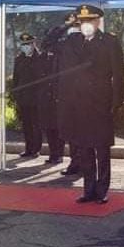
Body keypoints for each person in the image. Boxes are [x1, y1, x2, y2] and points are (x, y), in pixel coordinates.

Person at [58, 5, 124, 204]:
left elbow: (119, 75)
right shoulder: (73, 41)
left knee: (102, 150)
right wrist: (66, 25)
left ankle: (102, 189)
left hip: (101, 104)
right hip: (79, 105)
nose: (86, 25)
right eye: (82, 21)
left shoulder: (110, 42)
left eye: (90, 21)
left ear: (98, 22)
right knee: (85, 149)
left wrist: (116, 102)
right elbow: (49, 44)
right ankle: (88, 190)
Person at [39, 13, 82, 173]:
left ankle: (82, 164)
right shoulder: (65, 45)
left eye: (78, 25)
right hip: (67, 95)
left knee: (81, 132)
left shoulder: (89, 42)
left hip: (84, 95)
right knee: (73, 131)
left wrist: (66, 26)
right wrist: (67, 26)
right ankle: (77, 163)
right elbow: (46, 43)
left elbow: (48, 41)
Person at [12, 32, 42, 158]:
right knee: (26, 125)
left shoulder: (40, 58)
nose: (26, 47)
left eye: (28, 44)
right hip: (23, 98)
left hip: (36, 98)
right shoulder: (19, 59)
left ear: (33, 44)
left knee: (36, 125)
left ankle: (36, 149)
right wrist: (16, 95)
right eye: (23, 44)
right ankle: (28, 148)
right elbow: (16, 79)